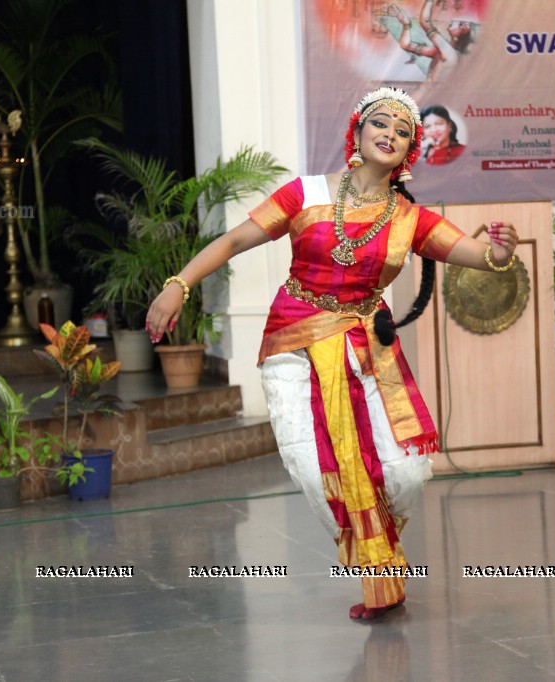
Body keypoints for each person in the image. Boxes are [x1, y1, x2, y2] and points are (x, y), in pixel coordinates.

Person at [145, 87, 519, 621]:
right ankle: (378, 570)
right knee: (311, 461)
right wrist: (178, 284)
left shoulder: (411, 219)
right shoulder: (305, 193)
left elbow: (477, 254)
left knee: (406, 473)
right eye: (379, 124)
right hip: (294, 340)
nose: (389, 134)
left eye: (403, 130)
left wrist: (499, 254)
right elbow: (231, 243)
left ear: (410, 150)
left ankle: (379, 553)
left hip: (366, 348)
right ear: (358, 132)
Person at [387, 1, 474, 81]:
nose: (455, 21)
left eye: (461, 24)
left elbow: (425, 22)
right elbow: (406, 45)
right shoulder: (439, 52)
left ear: (458, 37)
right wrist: (406, 25)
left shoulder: (450, 54)